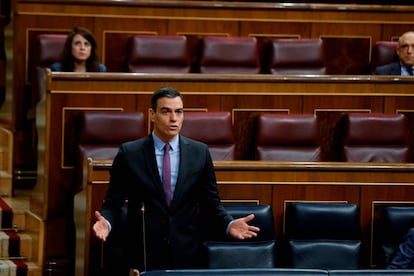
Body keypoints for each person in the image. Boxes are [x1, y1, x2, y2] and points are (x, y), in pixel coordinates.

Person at [92, 86, 260, 274]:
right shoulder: (130, 153)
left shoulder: (199, 152)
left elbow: (211, 203)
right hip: (144, 253)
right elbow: (113, 203)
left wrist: (229, 224)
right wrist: (106, 223)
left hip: (186, 252)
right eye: (166, 111)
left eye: (179, 112)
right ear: (152, 114)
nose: (174, 118)